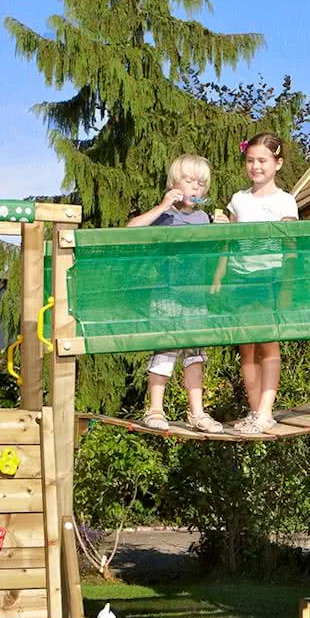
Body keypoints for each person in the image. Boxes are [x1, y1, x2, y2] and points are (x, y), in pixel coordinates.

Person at [128, 154, 223, 434]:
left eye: (201, 183)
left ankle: (197, 413)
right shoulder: (166, 215)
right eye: (190, 180)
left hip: (196, 297)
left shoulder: (204, 217)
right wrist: (160, 206)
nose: (196, 188)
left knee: (195, 354)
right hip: (167, 295)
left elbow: (214, 254)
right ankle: (155, 409)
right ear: (173, 183)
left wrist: (221, 230)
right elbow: (132, 229)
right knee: (166, 349)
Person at [212, 132, 298, 435]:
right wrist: (219, 276)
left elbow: (290, 250)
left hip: (269, 278)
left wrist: (287, 287)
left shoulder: (285, 201)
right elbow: (229, 242)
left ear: (277, 163)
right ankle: (253, 410)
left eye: (262, 160)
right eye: (250, 160)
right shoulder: (239, 199)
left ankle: (265, 411)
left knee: (268, 344)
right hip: (240, 278)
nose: (255, 166)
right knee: (246, 348)